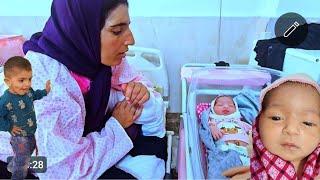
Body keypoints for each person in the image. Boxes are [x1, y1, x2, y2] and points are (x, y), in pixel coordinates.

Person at [0, 0, 166, 179]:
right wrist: (116, 127)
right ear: (81, 31)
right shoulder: (46, 87)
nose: (131, 39)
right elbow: (63, 171)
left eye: (127, 27)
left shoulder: (96, 57)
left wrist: (142, 93)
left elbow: (143, 89)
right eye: (117, 31)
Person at [251, 73, 320, 179]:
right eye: (276, 118)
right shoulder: (246, 161)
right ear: (258, 123)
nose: (291, 130)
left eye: (308, 123)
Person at [0, 56, 51, 179]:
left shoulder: (28, 91)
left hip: (30, 132)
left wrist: (45, 91)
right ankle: (18, 175)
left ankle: (14, 164)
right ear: (8, 82)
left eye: (29, 79)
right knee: (23, 158)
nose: (27, 84)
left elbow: (35, 95)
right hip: (19, 137)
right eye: (22, 80)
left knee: (31, 148)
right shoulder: (6, 100)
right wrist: (9, 126)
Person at [199, 95, 251, 179]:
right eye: (220, 105)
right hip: (226, 150)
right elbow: (206, 130)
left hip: (245, 153)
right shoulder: (214, 122)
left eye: (231, 105)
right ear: (213, 108)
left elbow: (255, 132)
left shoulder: (240, 123)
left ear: (236, 109)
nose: (226, 106)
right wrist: (212, 128)